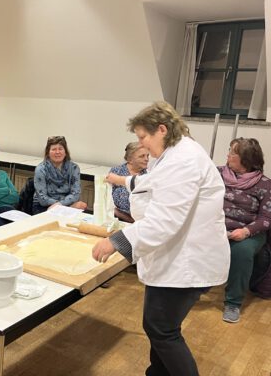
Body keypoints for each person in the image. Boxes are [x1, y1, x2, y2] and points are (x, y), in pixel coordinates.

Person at [92, 101, 230, 376]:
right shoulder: (173, 155)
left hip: (185, 262)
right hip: (176, 258)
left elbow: (164, 220)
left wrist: (116, 241)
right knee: (161, 327)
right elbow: (153, 183)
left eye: (143, 136)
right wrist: (122, 181)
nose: (141, 144)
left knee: (162, 330)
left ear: (162, 130)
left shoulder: (183, 160)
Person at [218, 137, 271, 323]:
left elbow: (266, 219)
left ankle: (233, 302)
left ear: (246, 159)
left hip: (249, 232)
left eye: (233, 152)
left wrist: (246, 232)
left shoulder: (265, 185)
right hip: (216, 227)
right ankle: (189, 288)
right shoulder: (217, 174)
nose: (228, 155)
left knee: (242, 251)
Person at [32, 135, 87, 214]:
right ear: (48, 152)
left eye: (60, 149)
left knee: (82, 205)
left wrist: (59, 205)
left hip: (65, 203)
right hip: (45, 206)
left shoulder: (74, 168)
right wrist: (61, 206)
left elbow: (76, 194)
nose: (57, 152)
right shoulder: (41, 169)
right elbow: (42, 199)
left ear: (65, 152)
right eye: (54, 149)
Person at [109, 142, 149, 223]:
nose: (147, 159)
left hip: (142, 221)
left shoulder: (149, 174)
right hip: (117, 219)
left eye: (147, 155)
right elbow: (107, 198)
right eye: (142, 156)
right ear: (130, 159)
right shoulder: (116, 172)